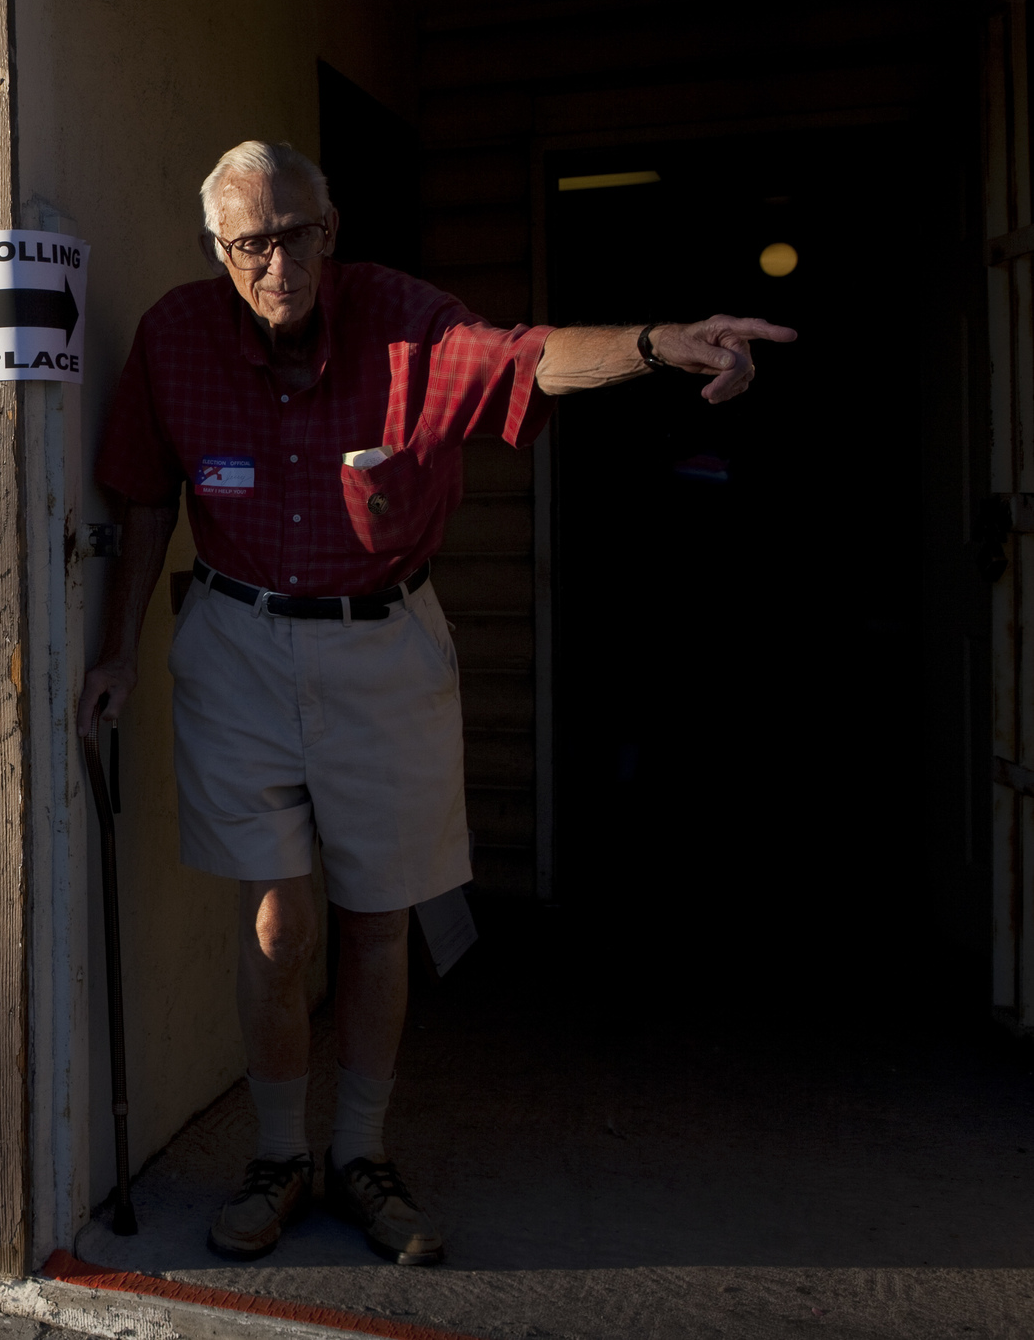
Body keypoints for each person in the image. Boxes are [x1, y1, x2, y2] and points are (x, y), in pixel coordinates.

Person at [77, 142, 794, 1266]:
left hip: (384, 643)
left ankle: (360, 1152)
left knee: (375, 914)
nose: (278, 262)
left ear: (333, 228)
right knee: (276, 921)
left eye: (297, 232)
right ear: (219, 251)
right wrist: (115, 652)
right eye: (252, 242)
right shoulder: (174, 335)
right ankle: (277, 1156)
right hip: (236, 638)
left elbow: (532, 360)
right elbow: (137, 502)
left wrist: (658, 345)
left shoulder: (408, 321)